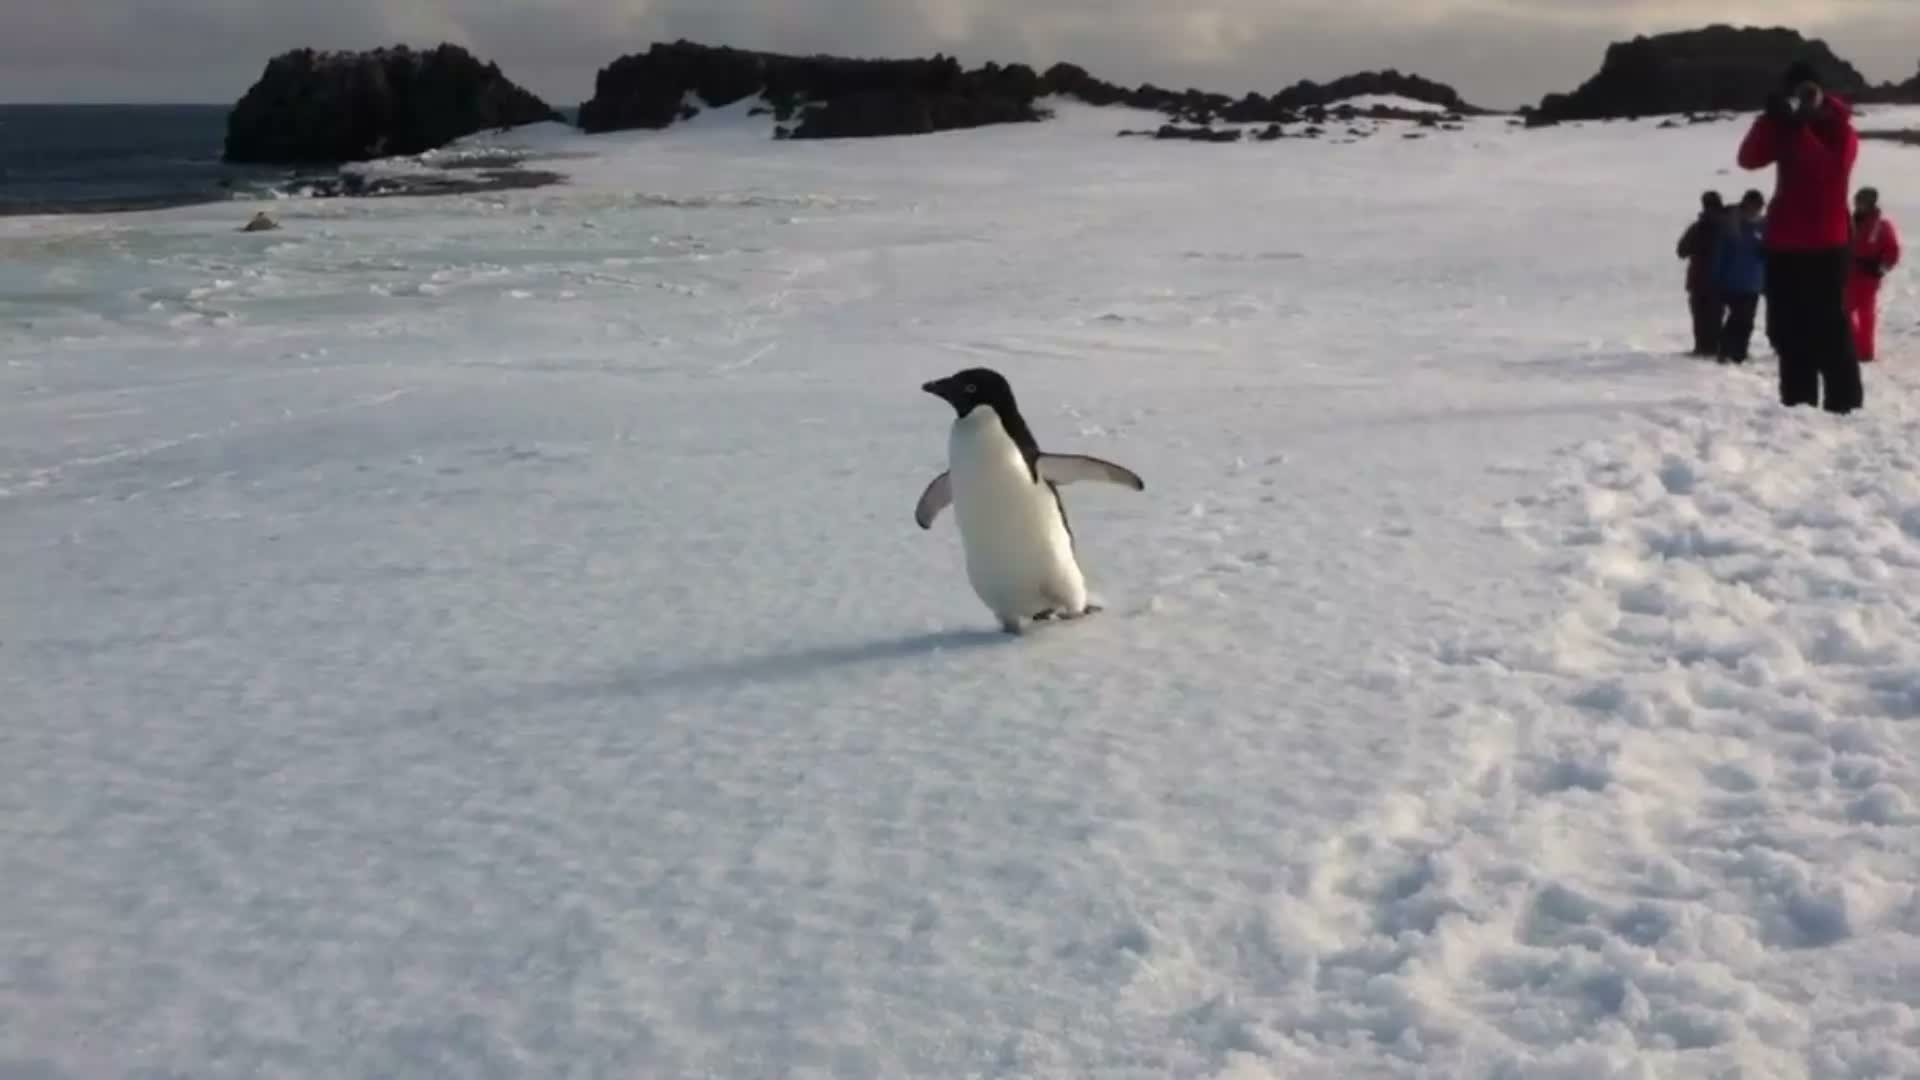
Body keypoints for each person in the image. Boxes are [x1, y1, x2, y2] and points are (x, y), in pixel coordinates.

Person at [1737, 60, 1862, 413]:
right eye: (1797, 93)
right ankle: (1796, 404)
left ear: (1823, 95)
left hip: (1826, 244)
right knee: (1786, 330)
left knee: (1829, 329)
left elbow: (1826, 171)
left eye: (1810, 92)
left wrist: (1797, 129)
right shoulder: (1786, 125)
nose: (1803, 100)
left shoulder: (1842, 130)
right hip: (1784, 244)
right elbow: (1748, 159)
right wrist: (1769, 119)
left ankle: (1845, 406)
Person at [1847, 187, 1901, 362]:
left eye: (1861, 200)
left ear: (1870, 203)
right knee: (1842, 312)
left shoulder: (1881, 226)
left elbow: (1892, 251)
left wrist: (1881, 268)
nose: (1858, 204)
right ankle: (1854, 346)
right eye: (1857, 200)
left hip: (1868, 277)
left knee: (1866, 315)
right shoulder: (1848, 223)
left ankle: (1865, 352)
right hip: (1848, 275)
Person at [1715, 190, 1768, 363]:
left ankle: (1739, 353)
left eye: (1759, 207)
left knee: (1747, 320)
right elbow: (1722, 254)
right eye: (1754, 206)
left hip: (1753, 282)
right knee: (1738, 317)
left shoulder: (1763, 226)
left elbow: (1768, 253)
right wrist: (1717, 279)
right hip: (1732, 281)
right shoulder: (1733, 225)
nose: (1756, 210)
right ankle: (1725, 351)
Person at [1677, 191, 1729, 356]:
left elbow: (1681, 251)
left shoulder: (1697, 227)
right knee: (1715, 316)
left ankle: (1703, 348)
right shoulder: (1727, 227)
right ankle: (1714, 347)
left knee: (1700, 316)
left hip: (1699, 279)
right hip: (1719, 279)